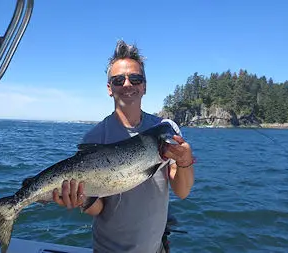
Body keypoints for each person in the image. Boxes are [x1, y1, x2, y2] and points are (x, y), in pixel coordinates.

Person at [52, 39, 195, 253]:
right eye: (119, 80)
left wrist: (185, 162)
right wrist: (80, 199)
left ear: (144, 86)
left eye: (135, 78)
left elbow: (182, 192)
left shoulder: (165, 129)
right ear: (110, 88)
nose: (127, 85)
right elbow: (99, 208)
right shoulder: (95, 137)